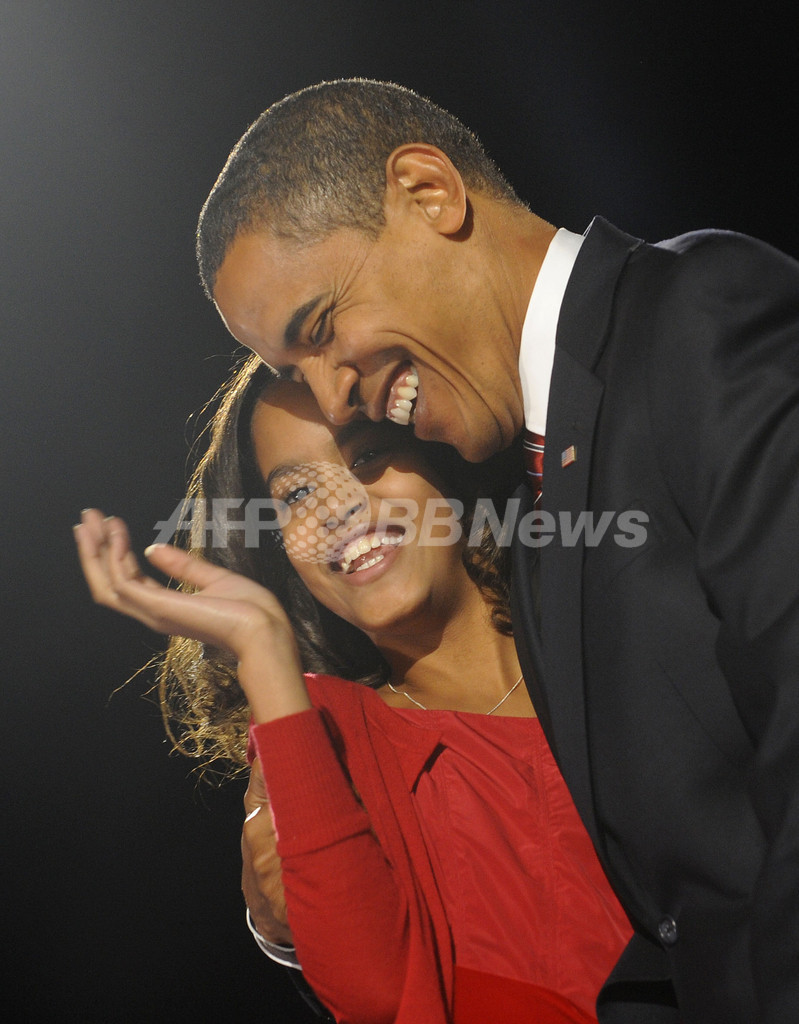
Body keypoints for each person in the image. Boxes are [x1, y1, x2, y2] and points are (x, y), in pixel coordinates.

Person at [193, 79, 799, 1023]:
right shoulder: (545, 512)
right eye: (292, 372)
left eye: (320, 330)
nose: (334, 393)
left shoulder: (696, 317)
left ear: (429, 193)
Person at [75, 357, 633, 1024]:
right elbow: (372, 994)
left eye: (367, 455)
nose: (339, 508)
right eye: (298, 497)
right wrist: (263, 650)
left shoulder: (615, 625)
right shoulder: (329, 737)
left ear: (444, 463)